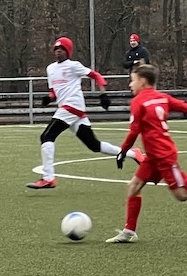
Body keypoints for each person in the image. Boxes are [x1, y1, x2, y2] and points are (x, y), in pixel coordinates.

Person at [105, 64, 187, 243]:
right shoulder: (162, 98)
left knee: (182, 195)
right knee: (133, 187)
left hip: (164, 156)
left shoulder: (138, 102)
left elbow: (134, 132)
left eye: (132, 81)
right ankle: (129, 232)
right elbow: (184, 106)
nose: (130, 85)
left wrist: (123, 151)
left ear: (142, 81)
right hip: (153, 156)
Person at [26, 36, 123, 189]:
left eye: (62, 49)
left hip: (72, 106)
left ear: (68, 51)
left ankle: (48, 178)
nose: (58, 52)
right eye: (56, 49)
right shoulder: (50, 69)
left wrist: (103, 94)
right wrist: (49, 98)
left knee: (47, 136)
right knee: (94, 145)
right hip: (70, 109)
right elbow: (54, 92)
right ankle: (132, 153)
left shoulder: (73, 66)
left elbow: (96, 76)